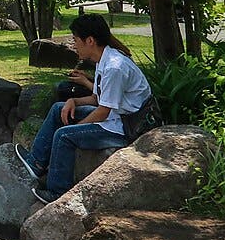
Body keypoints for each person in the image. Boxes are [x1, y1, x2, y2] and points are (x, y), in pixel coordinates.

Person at [15, 13, 153, 203]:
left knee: (64, 135)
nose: (73, 45)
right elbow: (97, 98)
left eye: (75, 40)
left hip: (124, 127)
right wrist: (73, 101)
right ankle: (36, 163)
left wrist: (76, 126)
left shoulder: (115, 67)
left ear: (90, 40)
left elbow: (103, 112)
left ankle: (57, 192)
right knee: (58, 108)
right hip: (113, 117)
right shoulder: (103, 60)